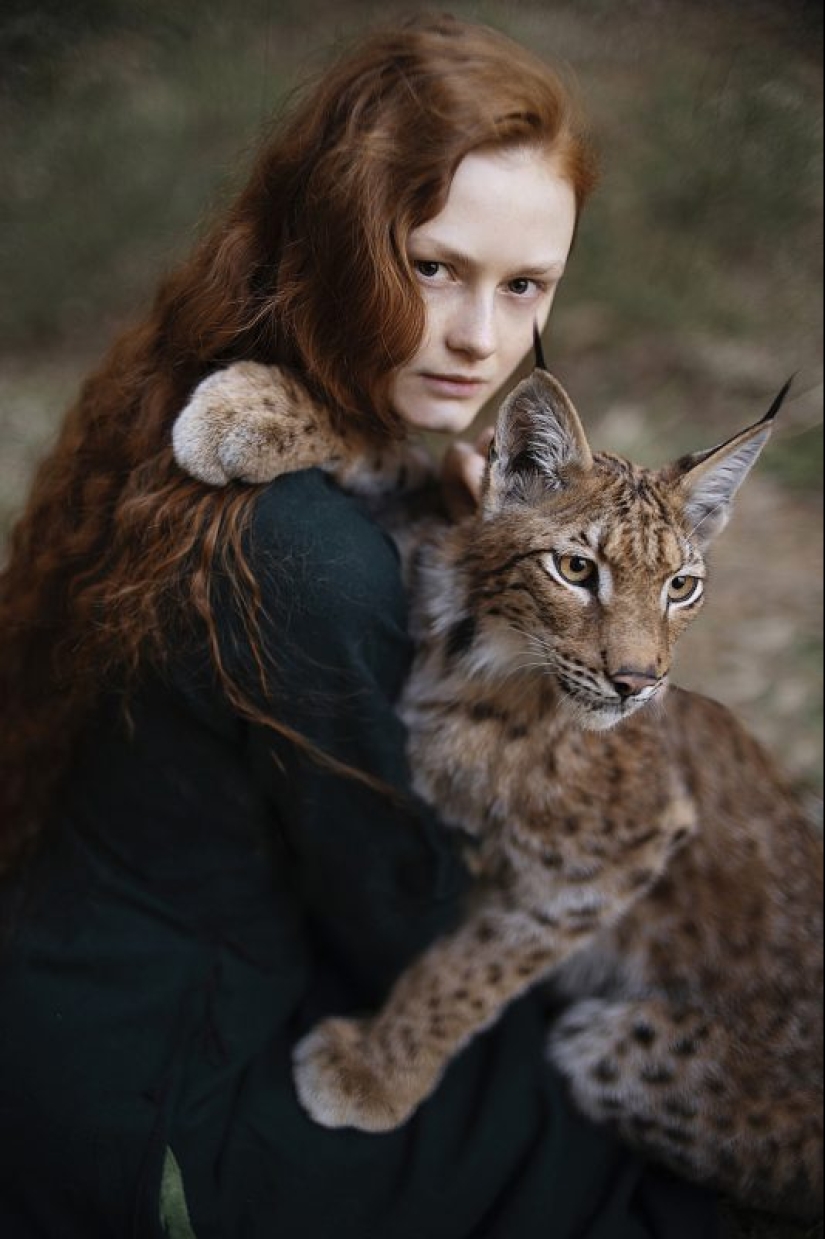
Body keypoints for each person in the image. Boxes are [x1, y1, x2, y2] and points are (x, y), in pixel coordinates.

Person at [0, 15, 719, 1238]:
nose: (480, 339)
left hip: (109, 975)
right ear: (336, 240)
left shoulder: (235, 389)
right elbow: (410, 914)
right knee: (643, 1169)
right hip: (175, 1102)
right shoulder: (307, 564)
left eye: (524, 285)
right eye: (434, 266)